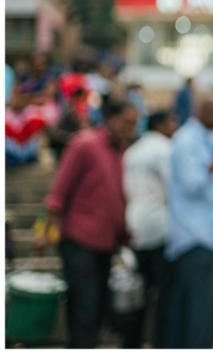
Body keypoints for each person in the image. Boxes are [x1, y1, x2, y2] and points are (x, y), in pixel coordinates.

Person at [39, 99, 138, 348]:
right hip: (79, 241)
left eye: (133, 124)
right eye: (126, 122)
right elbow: (59, 190)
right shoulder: (85, 144)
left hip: (106, 243)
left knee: (95, 311)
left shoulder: (121, 152)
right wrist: (46, 230)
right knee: (85, 308)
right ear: (111, 119)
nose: (130, 128)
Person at [164, 98, 213, 348]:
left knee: (190, 303)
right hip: (193, 235)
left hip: (205, 235)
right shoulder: (187, 141)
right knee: (198, 306)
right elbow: (192, 184)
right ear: (205, 112)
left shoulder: (202, 138)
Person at [121, 110, 178, 348]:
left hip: (134, 222)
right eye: (171, 120)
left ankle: (131, 344)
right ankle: (160, 345)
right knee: (162, 295)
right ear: (161, 124)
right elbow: (172, 189)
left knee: (137, 295)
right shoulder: (164, 149)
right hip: (158, 226)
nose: (174, 125)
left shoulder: (132, 151)